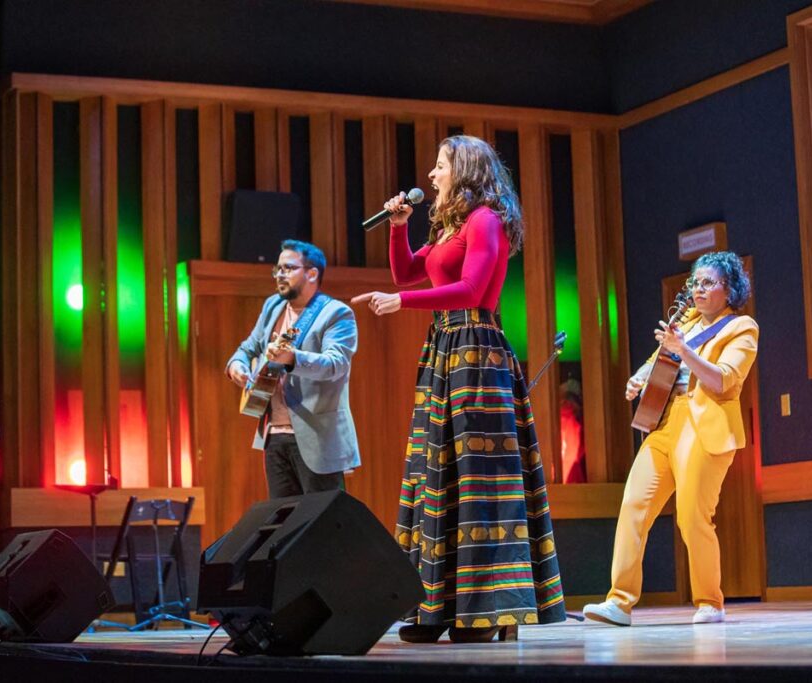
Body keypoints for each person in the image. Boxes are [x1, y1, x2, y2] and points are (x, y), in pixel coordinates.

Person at [351, 135, 565, 644]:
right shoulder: (450, 226)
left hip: (477, 354)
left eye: (440, 165)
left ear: (464, 170)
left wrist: (402, 304)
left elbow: (470, 290)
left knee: (478, 484)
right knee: (438, 479)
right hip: (446, 351)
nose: (430, 174)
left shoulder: (485, 220)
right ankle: (440, 609)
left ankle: (486, 611)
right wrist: (398, 230)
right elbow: (407, 271)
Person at [583, 250, 758, 627]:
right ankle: (619, 601)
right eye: (695, 282)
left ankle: (710, 601)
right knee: (633, 506)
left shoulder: (742, 328)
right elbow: (657, 358)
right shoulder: (689, 321)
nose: (698, 289)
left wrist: (684, 351)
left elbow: (724, 380)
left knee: (693, 517)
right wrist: (640, 378)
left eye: (708, 282)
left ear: (729, 290)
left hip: (704, 424)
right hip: (665, 423)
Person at [227, 240, 360, 498]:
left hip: (317, 437)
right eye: (277, 269)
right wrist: (237, 366)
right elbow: (248, 348)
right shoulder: (273, 307)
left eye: (288, 268)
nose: (280, 275)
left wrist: (293, 358)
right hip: (274, 435)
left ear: (312, 273)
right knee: (282, 524)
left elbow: (336, 364)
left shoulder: (335, 313)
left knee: (321, 524)